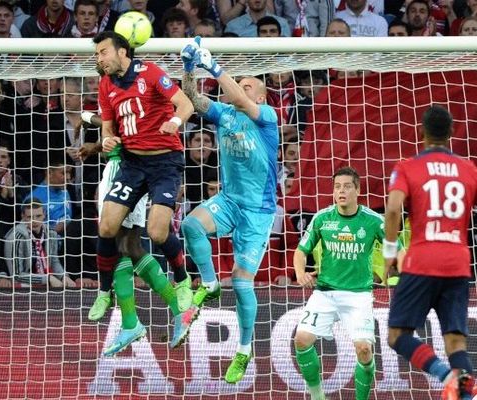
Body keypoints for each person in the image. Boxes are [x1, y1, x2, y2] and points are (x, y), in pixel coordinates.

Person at [179, 37, 279, 384]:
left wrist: (217, 69)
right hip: (230, 199)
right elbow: (191, 99)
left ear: (260, 96)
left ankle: (244, 348)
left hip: (258, 211)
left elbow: (235, 95)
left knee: (241, 281)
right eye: (240, 83)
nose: (240, 88)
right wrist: (190, 69)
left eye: (248, 85)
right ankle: (208, 282)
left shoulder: (267, 118)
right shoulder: (224, 115)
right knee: (190, 225)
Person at [92, 31, 197, 348]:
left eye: (103, 53)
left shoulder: (150, 72)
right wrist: (108, 140)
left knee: (157, 231)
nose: (99, 59)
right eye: (97, 54)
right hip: (131, 163)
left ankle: (182, 281)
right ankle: (104, 291)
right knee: (108, 226)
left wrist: (175, 123)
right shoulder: (106, 85)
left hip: (164, 163)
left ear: (122, 51)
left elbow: (184, 104)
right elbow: (109, 129)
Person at [383, 105, 477, 400]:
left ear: (420, 133)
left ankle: (446, 377)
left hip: (421, 261)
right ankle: (466, 392)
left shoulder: (407, 167)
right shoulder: (469, 169)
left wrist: (389, 252)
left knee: (398, 336)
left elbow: (394, 209)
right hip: (458, 263)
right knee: (455, 342)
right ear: (451, 133)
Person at [292, 166, 404, 400]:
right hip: (325, 292)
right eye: (337, 187)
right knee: (301, 340)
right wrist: (300, 272)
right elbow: (301, 251)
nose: (341, 191)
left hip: (358, 295)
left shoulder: (373, 221)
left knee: (364, 351)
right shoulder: (322, 218)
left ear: (357, 190)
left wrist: (402, 269)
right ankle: (317, 395)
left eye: (346, 186)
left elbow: (397, 248)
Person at [4, 200, 76, 288]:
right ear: (23, 216)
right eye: (30, 217)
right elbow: (17, 276)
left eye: (38, 216)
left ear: (44, 214)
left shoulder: (51, 233)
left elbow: (54, 262)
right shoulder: (16, 237)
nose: (34, 221)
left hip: (46, 284)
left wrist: (63, 276)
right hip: (23, 289)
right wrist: (48, 279)